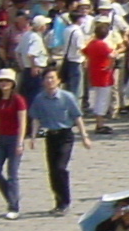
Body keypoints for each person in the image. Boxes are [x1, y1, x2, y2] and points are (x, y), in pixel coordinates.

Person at [28, 68, 88, 216]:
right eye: (47, 78)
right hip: (50, 136)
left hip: (65, 135)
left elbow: (77, 117)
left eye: (52, 78)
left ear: (58, 80)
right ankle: (58, 201)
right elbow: (36, 118)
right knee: (53, 171)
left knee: (61, 168)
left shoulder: (67, 97)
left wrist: (84, 136)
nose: (50, 81)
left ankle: (65, 201)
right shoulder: (40, 98)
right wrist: (33, 137)